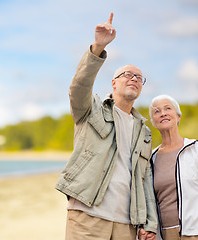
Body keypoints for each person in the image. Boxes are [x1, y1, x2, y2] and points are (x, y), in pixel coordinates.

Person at [55, 12, 158, 240]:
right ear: (113, 83)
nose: (134, 79)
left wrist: (149, 222)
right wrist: (98, 48)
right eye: (127, 75)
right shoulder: (91, 110)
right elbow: (78, 86)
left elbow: (145, 178)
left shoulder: (144, 132)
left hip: (127, 224)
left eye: (139, 78)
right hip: (88, 217)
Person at [149, 94, 198, 240]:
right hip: (165, 235)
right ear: (153, 121)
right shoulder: (151, 158)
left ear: (178, 116)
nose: (162, 113)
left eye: (167, 108)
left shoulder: (197, 149)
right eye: (157, 111)